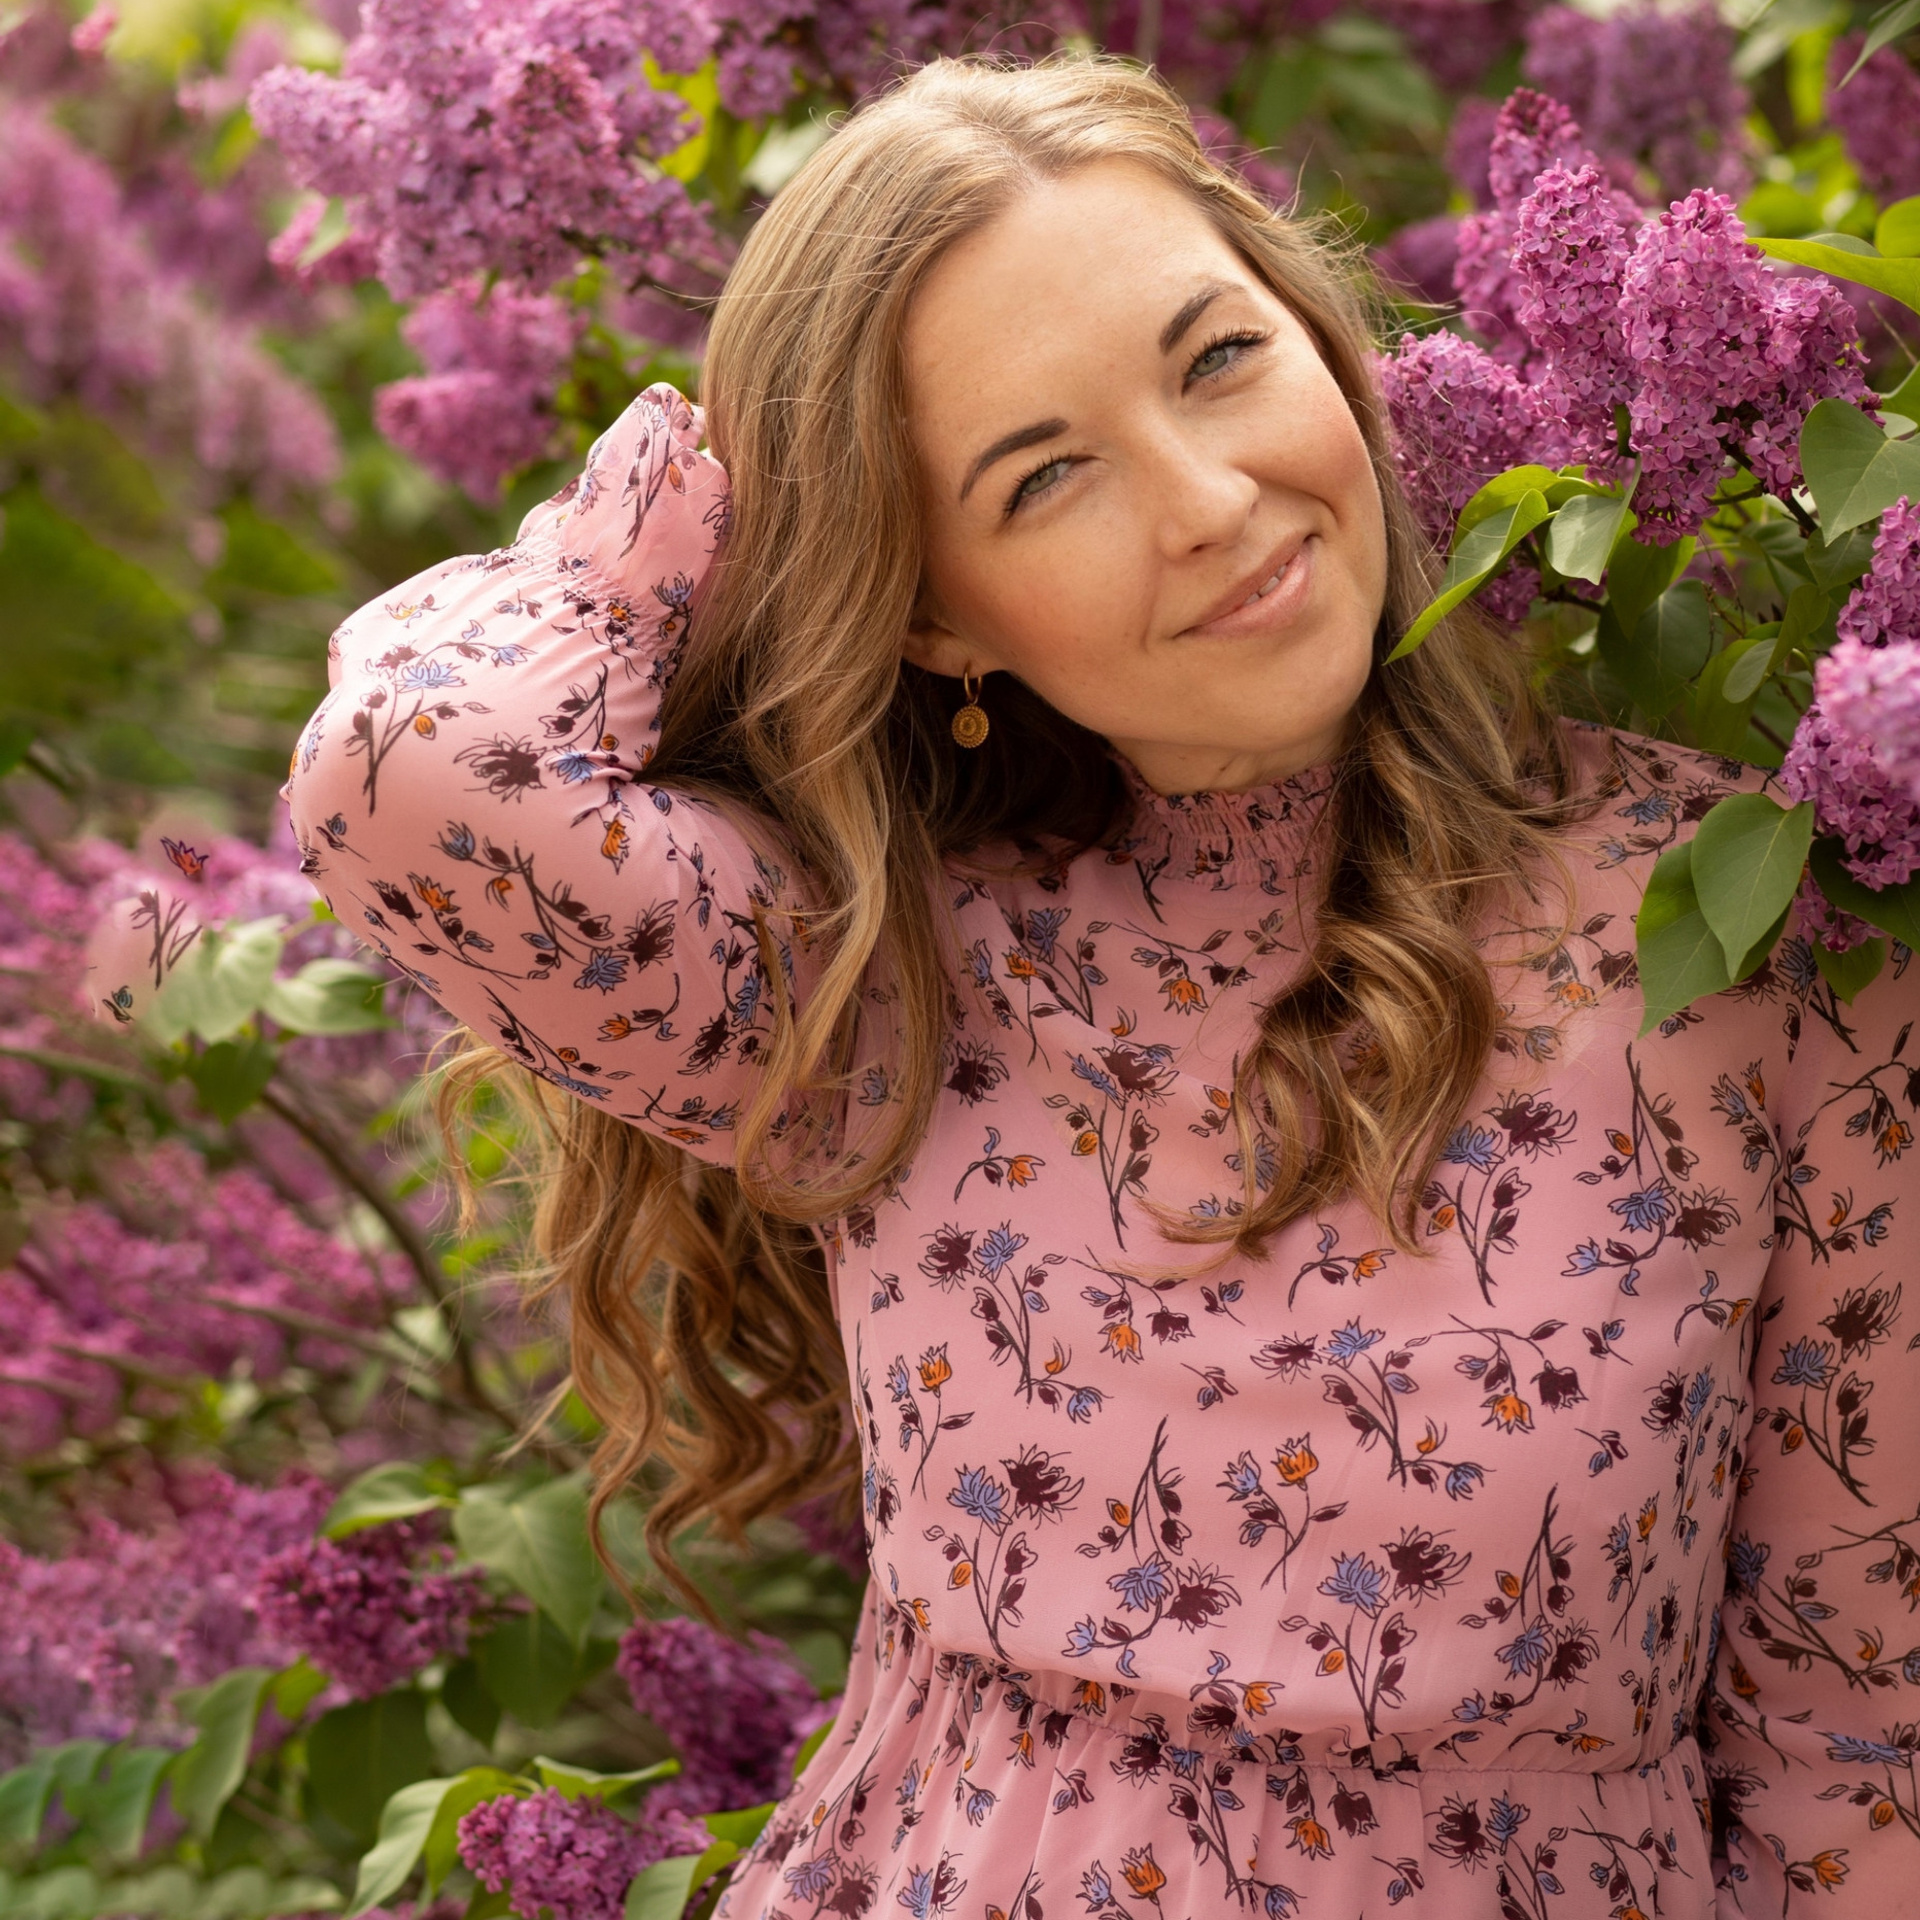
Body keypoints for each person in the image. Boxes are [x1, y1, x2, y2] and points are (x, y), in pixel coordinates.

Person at [282, 55, 1917, 1920]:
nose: (1211, 498)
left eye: (1220, 358)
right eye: (1043, 473)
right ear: (936, 609)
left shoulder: (1744, 930)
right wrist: (671, 520)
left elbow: (1857, 1750)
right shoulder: (865, 968)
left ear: (1325, 338)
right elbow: (403, 779)